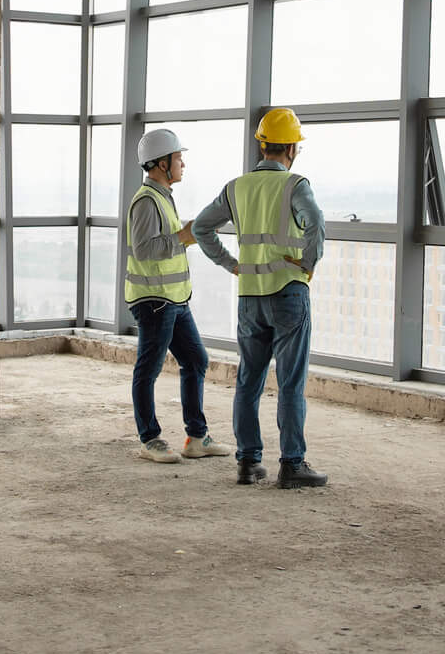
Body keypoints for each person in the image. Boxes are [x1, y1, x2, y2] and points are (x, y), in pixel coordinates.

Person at [192, 108, 328, 489]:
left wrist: (231, 264)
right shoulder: (295, 185)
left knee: (249, 380)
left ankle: (248, 463)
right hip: (288, 293)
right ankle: (292, 464)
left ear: (262, 145)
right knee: (289, 382)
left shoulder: (236, 187)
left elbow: (202, 227)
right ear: (292, 149)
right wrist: (308, 262)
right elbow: (316, 223)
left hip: (250, 296)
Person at [125, 129, 233, 465]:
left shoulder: (163, 196)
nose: (182, 163)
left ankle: (196, 438)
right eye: (177, 158)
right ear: (160, 164)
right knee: (149, 369)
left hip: (174, 299)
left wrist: (182, 235)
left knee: (196, 360)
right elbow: (144, 251)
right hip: (155, 301)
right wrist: (183, 237)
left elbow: (166, 241)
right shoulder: (146, 201)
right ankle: (150, 439)